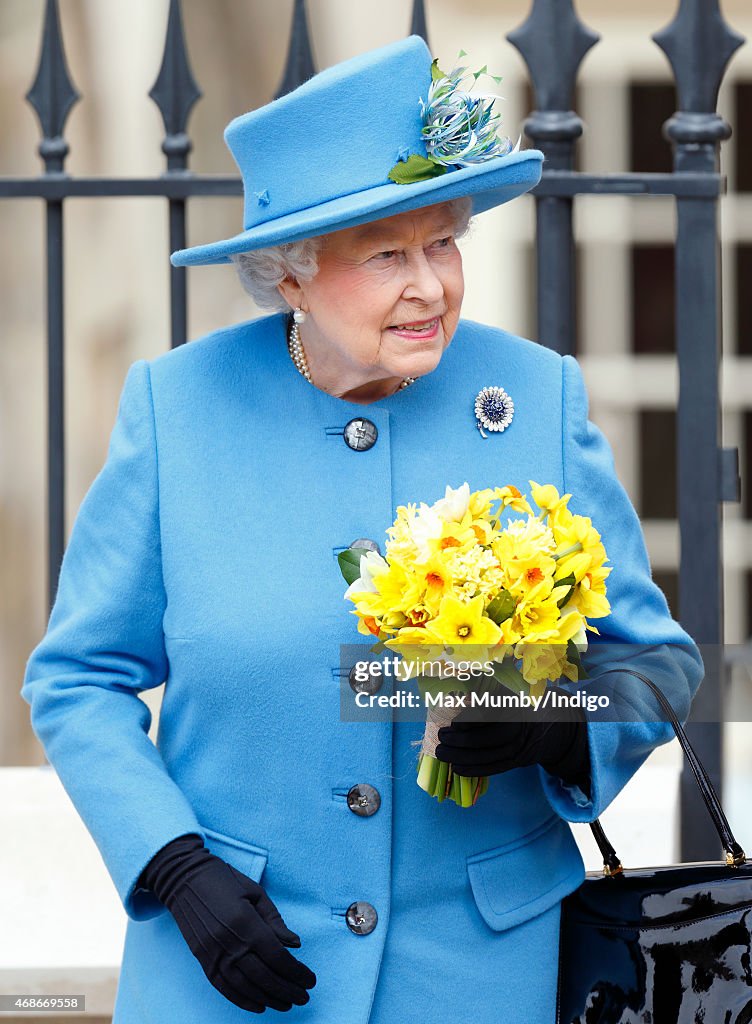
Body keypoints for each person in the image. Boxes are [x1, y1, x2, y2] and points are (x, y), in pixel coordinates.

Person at [21, 35, 704, 1024]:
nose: (428, 284)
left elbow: (657, 666)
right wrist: (174, 868)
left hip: (477, 972)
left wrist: (560, 725)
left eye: (442, 243)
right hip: (234, 963)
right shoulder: (180, 410)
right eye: (386, 253)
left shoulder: (533, 395)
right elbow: (77, 678)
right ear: (288, 273)